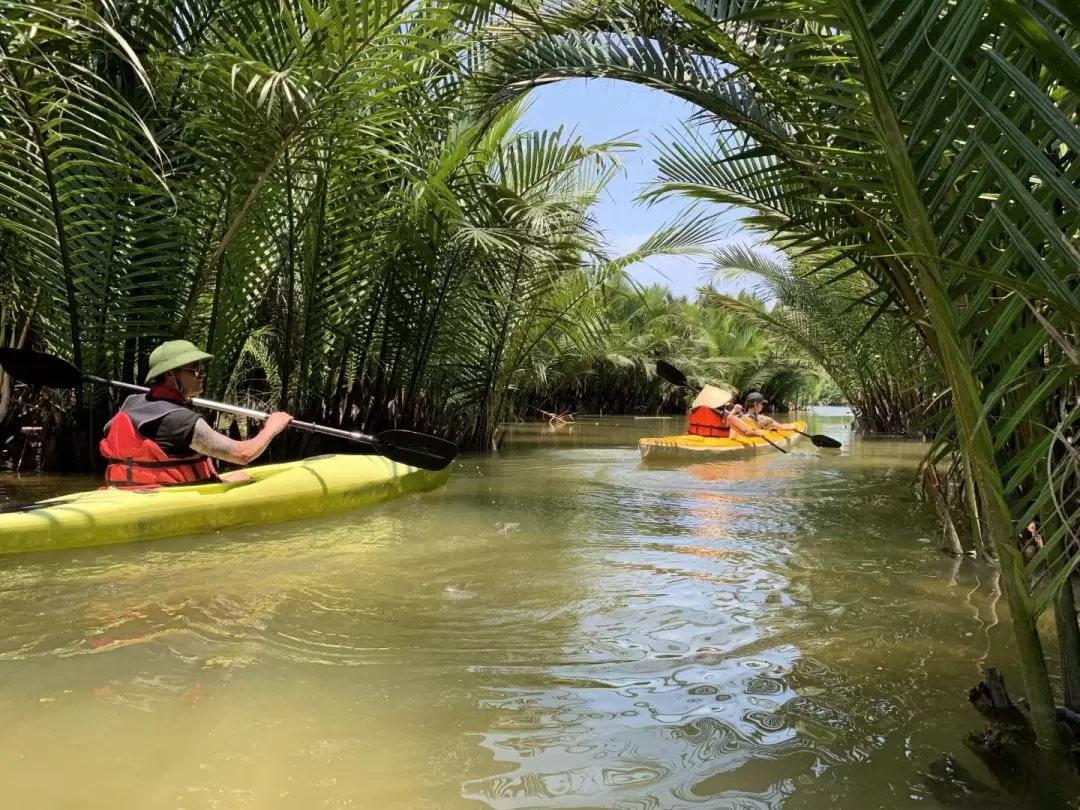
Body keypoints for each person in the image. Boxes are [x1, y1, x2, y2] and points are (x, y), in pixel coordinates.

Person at [99, 340, 293, 486]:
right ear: (170, 375)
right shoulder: (178, 419)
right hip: (165, 498)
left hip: (129, 490)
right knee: (244, 474)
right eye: (195, 369)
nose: (202, 374)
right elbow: (243, 454)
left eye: (202, 368)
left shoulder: (132, 403)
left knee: (242, 477)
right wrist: (273, 427)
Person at [686, 385, 764, 439]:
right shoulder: (727, 415)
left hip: (694, 436)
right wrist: (759, 433)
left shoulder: (693, 411)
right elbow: (746, 432)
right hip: (717, 440)